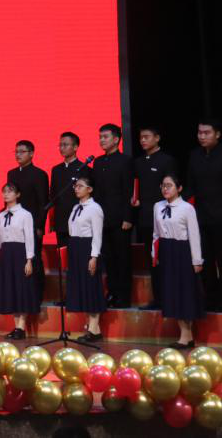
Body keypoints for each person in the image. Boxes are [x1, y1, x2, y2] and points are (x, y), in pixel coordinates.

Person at [185, 118, 222, 312]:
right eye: (199, 132)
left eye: (206, 133)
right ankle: (210, 300)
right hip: (201, 217)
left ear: (217, 134)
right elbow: (190, 187)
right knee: (205, 260)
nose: (202, 136)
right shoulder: (194, 155)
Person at [152, 175, 203, 348]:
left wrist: (197, 260)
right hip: (166, 251)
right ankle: (186, 336)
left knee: (184, 293)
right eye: (163, 185)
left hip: (182, 252)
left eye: (169, 185)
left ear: (179, 188)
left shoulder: (187, 208)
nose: (165, 188)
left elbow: (194, 235)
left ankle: (186, 336)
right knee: (172, 293)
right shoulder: (158, 206)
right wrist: (155, 254)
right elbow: (156, 233)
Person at [132, 125, 177, 310]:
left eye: (147, 137)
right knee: (152, 260)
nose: (143, 140)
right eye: (141, 137)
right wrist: (135, 199)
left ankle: (170, 298)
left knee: (166, 259)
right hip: (145, 218)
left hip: (165, 218)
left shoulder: (167, 160)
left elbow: (172, 188)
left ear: (157, 138)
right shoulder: (138, 162)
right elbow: (135, 187)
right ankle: (158, 299)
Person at [90, 124, 134, 308]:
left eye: (105, 137)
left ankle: (123, 296)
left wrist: (128, 217)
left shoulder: (125, 161)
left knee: (122, 258)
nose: (102, 140)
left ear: (116, 139)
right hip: (102, 219)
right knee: (108, 260)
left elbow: (129, 191)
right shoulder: (98, 162)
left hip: (120, 219)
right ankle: (112, 293)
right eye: (100, 137)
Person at [7, 140, 48, 312]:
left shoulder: (39, 174)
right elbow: (9, 199)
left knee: (34, 260)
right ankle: (19, 296)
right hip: (14, 226)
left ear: (31, 154)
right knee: (18, 261)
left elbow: (43, 203)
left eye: (22, 152)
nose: (18, 155)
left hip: (32, 226)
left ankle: (36, 296)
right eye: (16, 151)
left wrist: (39, 226)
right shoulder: (12, 173)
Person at [0, 183, 38, 339]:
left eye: (10, 191)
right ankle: (16, 327)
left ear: (18, 194)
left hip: (20, 253)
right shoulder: (0, 215)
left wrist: (29, 259)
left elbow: (29, 238)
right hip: (6, 254)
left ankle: (21, 327)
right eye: (4, 191)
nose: (6, 194)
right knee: (10, 288)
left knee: (21, 288)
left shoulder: (25, 214)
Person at [65, 177, 105, 342]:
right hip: (75, 248)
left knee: (91, 287)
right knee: (81, 287)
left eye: (80, 186)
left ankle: (94, 329)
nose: (76, 188)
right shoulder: (76, 207)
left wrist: (93, 256)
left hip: (87, 248)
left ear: (90, 189)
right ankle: (90, 327)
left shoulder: (95, 208)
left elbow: (97, 235)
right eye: (76, 186)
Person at [48, 133, 86, 248]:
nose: (62, 148)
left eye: (65, 145)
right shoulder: (56, 169)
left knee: (78, 252)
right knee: (62, 253)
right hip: (60, 220)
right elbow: (53, 195)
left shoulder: (84, 169)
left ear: (75, 147)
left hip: (79, 219)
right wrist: (52, 220)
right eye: (60, 145)